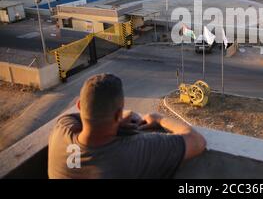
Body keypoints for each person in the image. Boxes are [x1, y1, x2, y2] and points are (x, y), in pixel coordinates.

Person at [48, 74, 206, 179]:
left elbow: (89, 116)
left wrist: (115, 120)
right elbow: (197, 141)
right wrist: (158, 118)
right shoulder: (134, 152)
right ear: (118, 114)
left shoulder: (61, 131)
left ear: (79, 105)